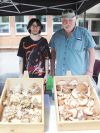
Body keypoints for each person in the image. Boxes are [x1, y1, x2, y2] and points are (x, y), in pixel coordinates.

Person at [49, 9, 95, 77]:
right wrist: (52, 70)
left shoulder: (84, 33)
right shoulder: (56, 35)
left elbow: (92, 52)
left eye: (70, 20)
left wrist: (90, 70)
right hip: (60, 75)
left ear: (75, 20)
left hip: (79, 75)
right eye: (65, 20)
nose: (68, 23)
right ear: (61, 21)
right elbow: (52, 53)